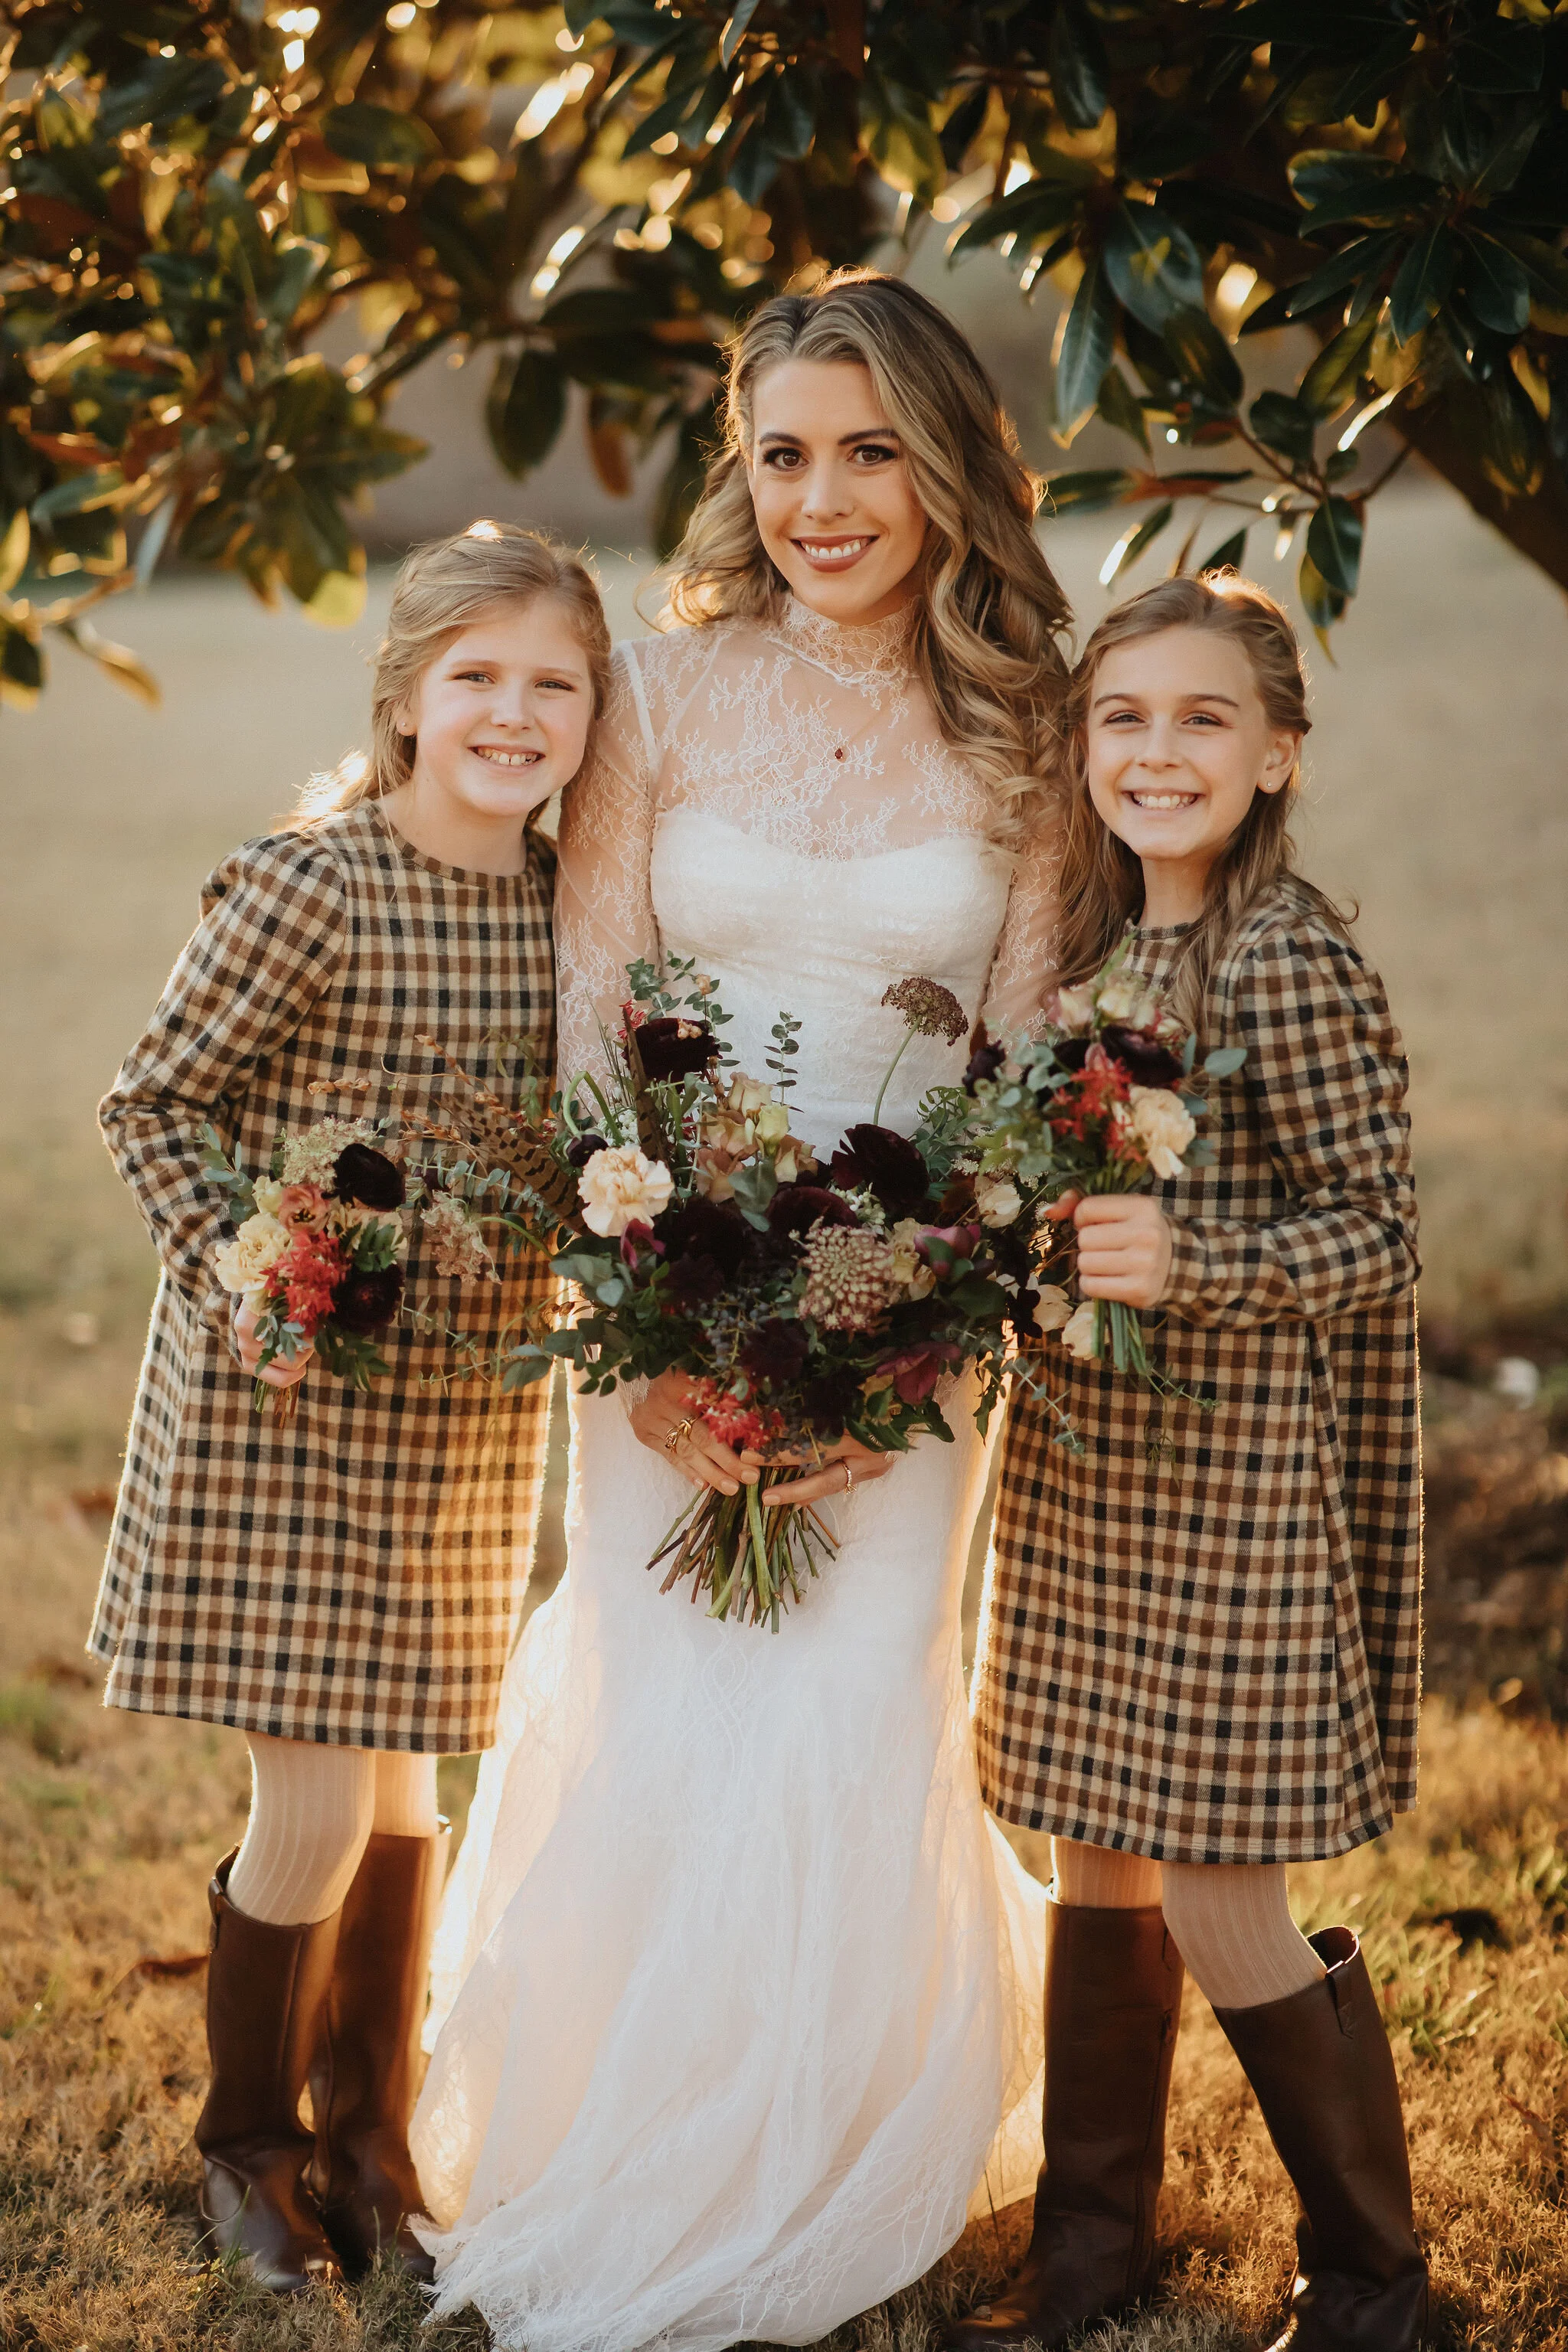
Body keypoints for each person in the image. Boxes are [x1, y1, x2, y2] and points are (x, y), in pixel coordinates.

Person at [409, 270, 1071, 2350]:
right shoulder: (664, 689)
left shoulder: (1032, 725)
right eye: (783, 452)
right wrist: (657, 1323)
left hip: (916, 1321)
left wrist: (934, 1337)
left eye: (871, 449)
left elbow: (1034, 1066)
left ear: (951, 460)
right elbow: (594, 1006)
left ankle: (830, 2193)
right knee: (663, 1706)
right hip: (659, 1310)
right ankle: (623, 2158)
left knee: (856, 1720)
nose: (822, 498)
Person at [90, 522, 607, 2292]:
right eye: (477, 677)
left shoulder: (570, 912)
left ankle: (367, 2137)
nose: (514, 713)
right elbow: (154, 1105)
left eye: (554, 684)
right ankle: (249, 2151)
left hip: (460, 1412)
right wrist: (251, 1271)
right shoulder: (311, 884)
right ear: (402, 701)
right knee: (312, 1797)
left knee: (404, 1787)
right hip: (287, 1399)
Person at [954, 574, 1426, 2352]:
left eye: (1202, 718)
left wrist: (1196, 1260)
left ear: (1278, 753)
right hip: (1086, 1472)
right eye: (1123, 719)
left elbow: (1375, 1233)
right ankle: (1092, 2249)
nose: (1156, 752)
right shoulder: (1090, 957)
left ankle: (1377, 2283)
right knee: (1094, 1844)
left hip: (1227, 1484)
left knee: (1224, 1879)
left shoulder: (1286, 956)